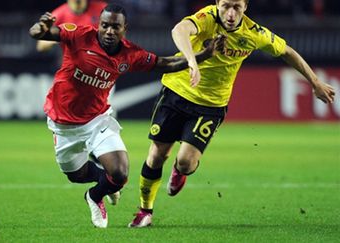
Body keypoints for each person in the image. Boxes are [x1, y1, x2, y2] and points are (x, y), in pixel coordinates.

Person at [129, 0, 335, 228]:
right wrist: (191, 61)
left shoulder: (254, 33)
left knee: (186, 162)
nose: (230, 13)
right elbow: (179, 30)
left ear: (245, 7)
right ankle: (144, 211)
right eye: (226, 5)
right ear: (217, 3)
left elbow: (287, 51)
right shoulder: (207, 18)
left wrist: (315, 82)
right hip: (177, 92)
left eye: (237, 7)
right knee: (157, 154)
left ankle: (180, 171)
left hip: (211, 105)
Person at [29, 4, 226, 228]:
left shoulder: (130, 54)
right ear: (98, 25)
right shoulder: (79, 35)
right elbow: (40, 34)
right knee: (77, 175)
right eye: (104, 25)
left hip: (97, 120)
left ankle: (94, 196)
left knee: (120, 173)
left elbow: (166, 63)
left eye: (115, 26)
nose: (109, 31)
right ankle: (103, 179)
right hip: (62, 123)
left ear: (124, 29)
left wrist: (203, 55)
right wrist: (40, 27)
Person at [36, 0, 107, 52]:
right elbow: (41, 46)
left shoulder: (103, 9)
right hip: (74, 66)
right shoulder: (57, 15)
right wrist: (53, 39)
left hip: (102, 63)